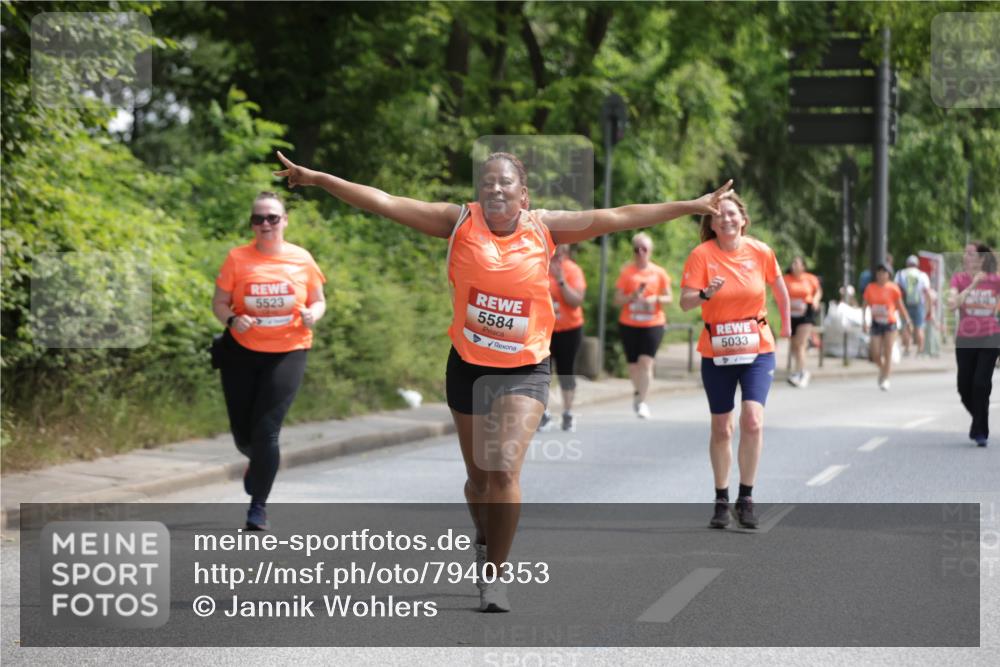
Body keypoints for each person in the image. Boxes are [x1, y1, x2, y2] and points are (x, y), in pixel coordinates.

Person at [274, 149, 732, 611]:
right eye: (487, 182)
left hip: (525, 367)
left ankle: (495, 576)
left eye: (505, 182)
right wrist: (318, 178)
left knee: (504, 470)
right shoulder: (458, 221)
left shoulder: (545, 227)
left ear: (523, 194)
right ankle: (485, 538)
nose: (495, 188)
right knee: (478, 482)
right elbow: (384, 201)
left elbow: (619, 215)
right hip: (468, 365)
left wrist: (691, 206)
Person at [211, 192, 327, 530]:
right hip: (241, 352)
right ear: (252, 224)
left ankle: (257, 508)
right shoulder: (237, 258)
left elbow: (319, 300)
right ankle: (258, 461)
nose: (265, 224)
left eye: (272, 217)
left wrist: (313, 314)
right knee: (243, 435)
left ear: (284, 221)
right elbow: (219, 303)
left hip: (289, 350)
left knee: (267, 432)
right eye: (258, 218)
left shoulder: (301, 259)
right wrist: (233, 319)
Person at [679, 193, 791, 530]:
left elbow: (780, 289)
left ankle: (746, 497)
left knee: (753, 420)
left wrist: (787, 326)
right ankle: (721, 497)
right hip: (717, 349)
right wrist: (704, 294)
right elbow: (685, 302)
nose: (725, 219)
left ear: (743, 219)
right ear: (711, 224)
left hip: (757, 347)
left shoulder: (761, 251)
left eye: (731, 213)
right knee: (721, 427)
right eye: (718, 215)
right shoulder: (701, 255)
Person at [613, 232, 672, 419]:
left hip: (653, 323)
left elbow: (669, 297)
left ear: (650, 251)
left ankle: (642, 401)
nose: (640, 253)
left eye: (644, 249)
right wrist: (632, 297)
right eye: (636, 249)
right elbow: (616, 299)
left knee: (646, 362)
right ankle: (638, 393)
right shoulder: (627, 272)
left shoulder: (659, 272)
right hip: (629, 323)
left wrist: (655, 299)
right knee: (633, 367)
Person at [947, 242, 1000, 447]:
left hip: (990, 336)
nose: (966, 257)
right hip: (966, 338)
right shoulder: (958, 279)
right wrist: (973, 285)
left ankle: (980, 431)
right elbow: (952, 305)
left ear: (981, 259)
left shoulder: (995, 280)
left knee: (981, 384)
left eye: (971, 254)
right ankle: (979, 422)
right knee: (964, 387)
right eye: (965, 253)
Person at [541, 244, 587, 432]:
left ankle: (567, 413)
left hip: (570, 329)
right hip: (544, 330)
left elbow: (576, 301)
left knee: (566, 371)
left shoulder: (573, 270)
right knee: (542, 373)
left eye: (561, 253)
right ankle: (543, 414)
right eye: (555, 252)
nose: (558, 257)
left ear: (566, 253)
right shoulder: (539, 265)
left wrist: (561, 281)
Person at [861, 264, 912, 391]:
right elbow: (865, 305)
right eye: (879, 273)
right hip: (876, 323)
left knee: (887, 351)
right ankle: (883, 369)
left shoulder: (893, 288)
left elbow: (900, 306)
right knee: (875, 353)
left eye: (884, 273)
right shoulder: (870, 288)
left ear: (888, 275)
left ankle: (886, 378)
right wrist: (864, 322)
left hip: (890, 323)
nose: (881, 275)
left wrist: (907, 320)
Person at [783, 256, 822, 387]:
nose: (793, 265)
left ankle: (801, 372)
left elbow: (818, 291)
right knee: (794, 346)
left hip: (806, 313)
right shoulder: (786, 279)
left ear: (803, 267)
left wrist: (816, 300)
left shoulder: (810, 278)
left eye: (797, 263)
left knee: (800, 344)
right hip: (791, 315)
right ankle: (800, 370)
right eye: (792, 263)